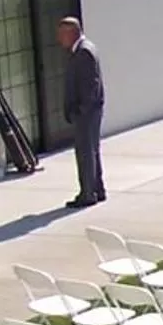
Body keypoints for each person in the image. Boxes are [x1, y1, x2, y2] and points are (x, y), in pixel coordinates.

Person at [56, 16, 105, 208]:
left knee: (85, 153)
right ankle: (97, 189)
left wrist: (80, 110)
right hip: (89, 112)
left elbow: (90, 86)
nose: (59, 39)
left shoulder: (84, 52)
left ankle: (87, 194)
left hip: (87, 114)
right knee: (92, 151)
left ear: (71, 33)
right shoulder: (84, 49)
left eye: (61, 34)